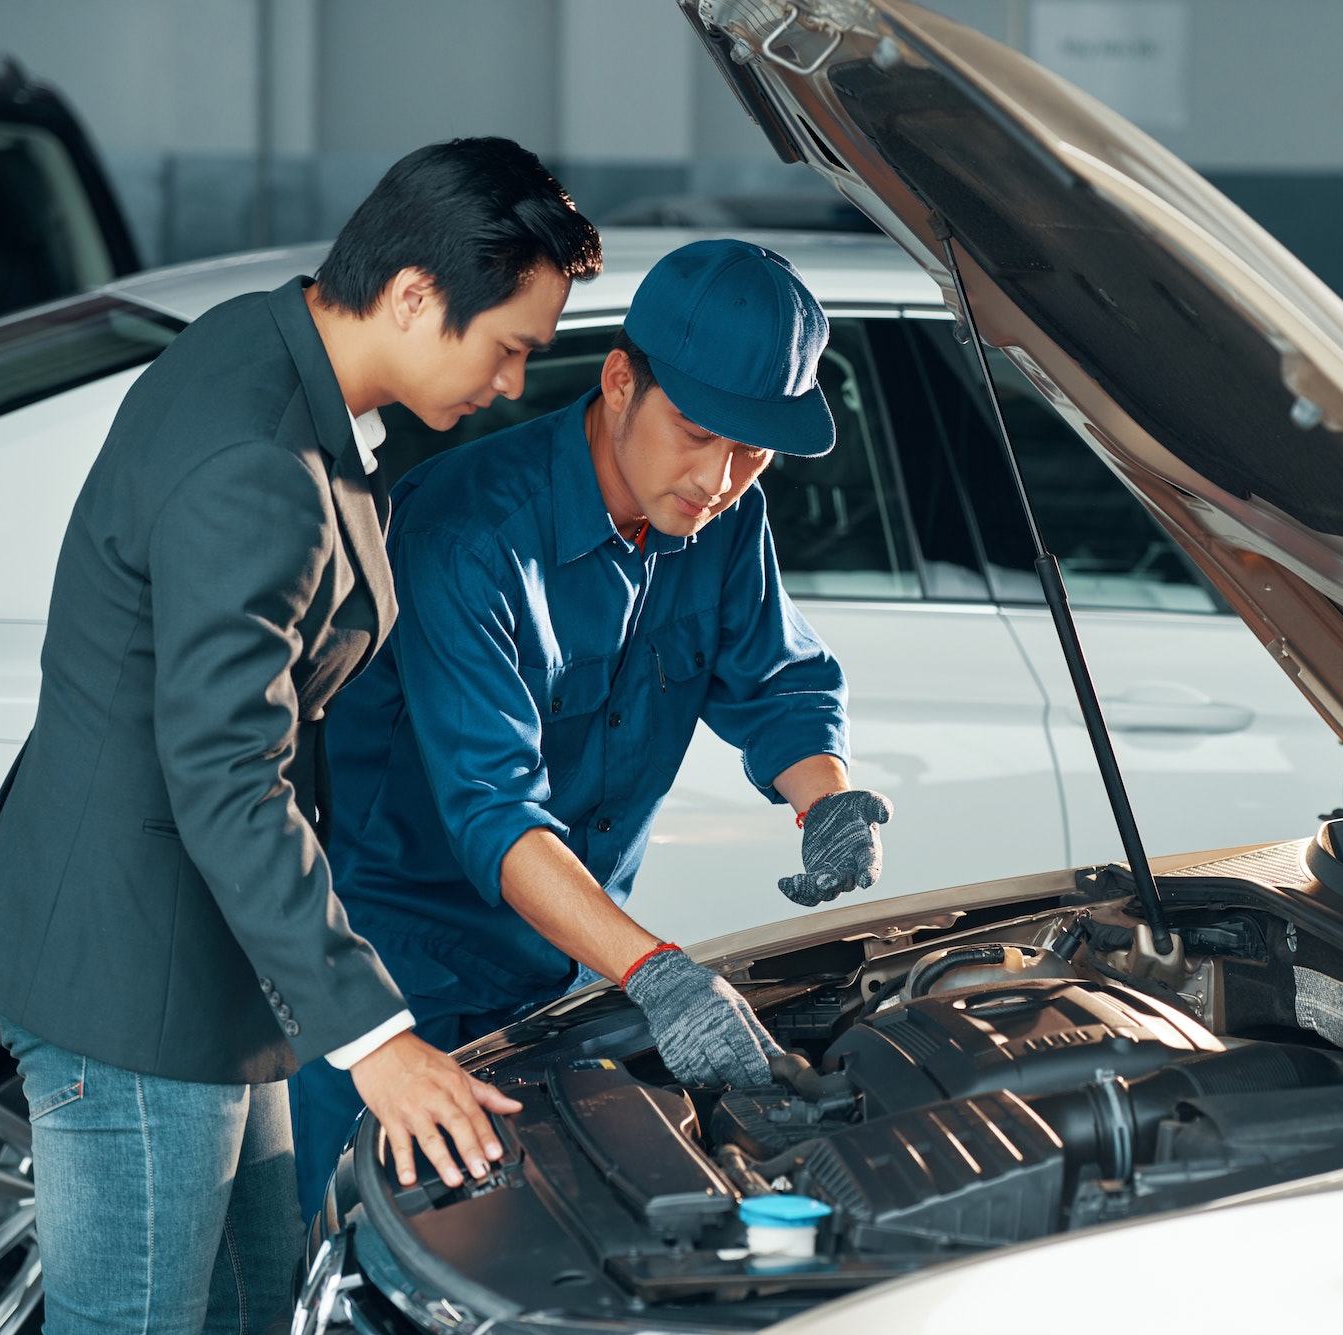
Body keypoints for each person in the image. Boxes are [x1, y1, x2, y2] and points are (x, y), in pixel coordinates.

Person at [0, 138, 602, 1333]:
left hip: (205, 959)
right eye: (506, 347)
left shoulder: (268, 343)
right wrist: (377, 1040)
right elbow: (225, 768)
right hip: (133, 980)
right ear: (414, 294)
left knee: (253, 1307)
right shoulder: (257, 461)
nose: (513, 386)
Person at [286, 239, 894, 1217]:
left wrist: (826, 797)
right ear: (619, 381)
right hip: (402, 999)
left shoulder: (721, 519)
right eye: (697, 432)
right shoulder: (467, 538)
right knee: (350, 1272)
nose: (723, 475)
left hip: (564, 988)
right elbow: (493, 808)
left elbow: (775, 678)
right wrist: (656, 971)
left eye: (752, 448)